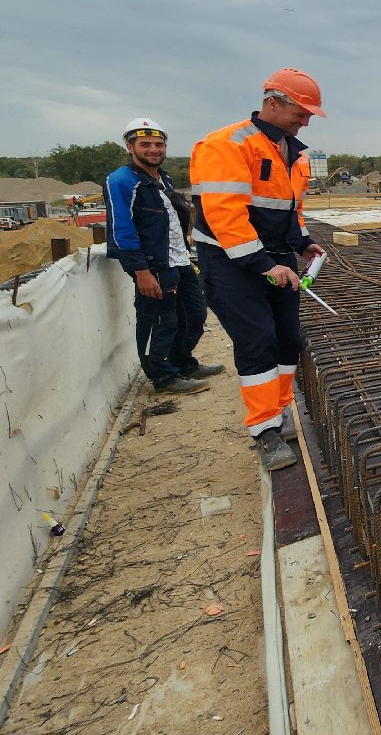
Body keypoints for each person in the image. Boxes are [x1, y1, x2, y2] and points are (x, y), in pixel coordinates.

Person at [189, 69, 326, 471]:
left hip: (275, 256)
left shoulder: (293, 155)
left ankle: (279, 410)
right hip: (231, 261)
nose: (306, 122)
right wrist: (265, 265)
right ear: (273, 103)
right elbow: (225, 217)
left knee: (287, 337)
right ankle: (265, 431)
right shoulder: (228, 145)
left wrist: (302, 243)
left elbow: (289, 211)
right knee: (257, 340)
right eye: (301, 113)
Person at [103, 118, 223, 394]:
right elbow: (121, 227)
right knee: (158, 321)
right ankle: (162, 376)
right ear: (130, 147)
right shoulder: (122, 180)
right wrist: (141, 271)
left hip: (179, 260)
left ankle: (182, 363)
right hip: (153, 264)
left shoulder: (162, 179)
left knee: (193, 314)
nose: (154, 149)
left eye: (159, 144)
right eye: (145, 144)